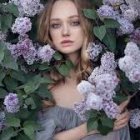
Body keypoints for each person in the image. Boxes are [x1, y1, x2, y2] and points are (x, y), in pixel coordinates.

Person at [36, 0, 131, 139]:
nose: (65, 32)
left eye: (75, 22)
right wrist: (92, 127)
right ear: (48, 31)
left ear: (87, 24)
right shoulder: (40, 87)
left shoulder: (110, 83)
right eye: (56, 25)